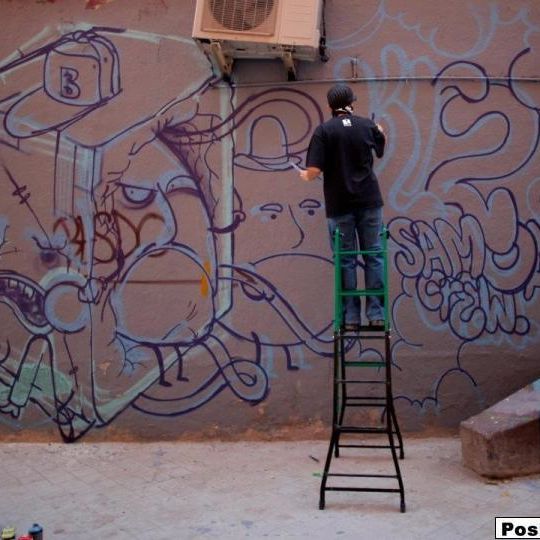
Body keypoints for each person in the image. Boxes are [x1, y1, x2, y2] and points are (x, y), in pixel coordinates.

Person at [299, 83, 386, 330]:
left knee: (346, 259)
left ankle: (351, 319)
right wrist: (379, 131)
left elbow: (314, 171)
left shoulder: (324, 131)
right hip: (369, 201)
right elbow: (380, 147)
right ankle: (377, 315)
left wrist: (305, 175)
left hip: (340, 206)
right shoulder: (367, 125)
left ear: (330, 106)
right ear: (351, 103)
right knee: (373, 255)